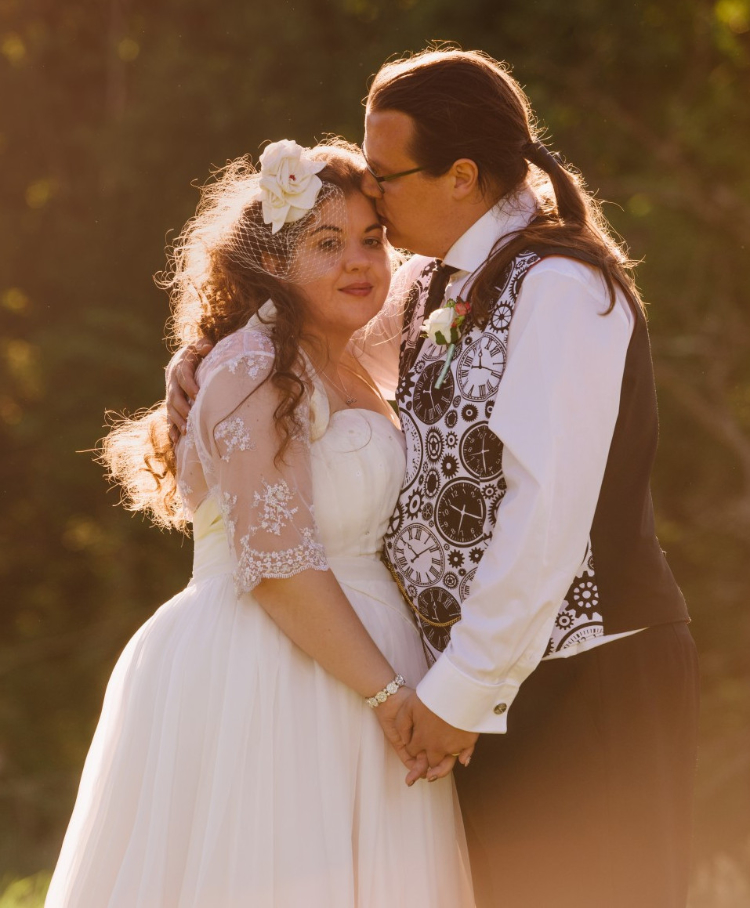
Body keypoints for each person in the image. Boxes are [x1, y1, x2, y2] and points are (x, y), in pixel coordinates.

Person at [168, 46, 701, 908]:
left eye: (385, 176)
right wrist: (200, 357)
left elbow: (545, 516)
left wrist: (453, 697)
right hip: (487, 692)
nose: (370, 195)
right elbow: (302, 339)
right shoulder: (428, 286)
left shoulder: (562, 286)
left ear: (461, 176)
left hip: (586, 683)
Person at [46, 140, 474, 908]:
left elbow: (441, 267)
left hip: (363, 664)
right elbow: (277, 564)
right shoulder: (250, 364)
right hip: (270, 666)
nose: (360, 261)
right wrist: (392, 701)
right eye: (325, 243)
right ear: (271, 263)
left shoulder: (352, 359)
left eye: (371, 240)